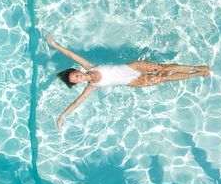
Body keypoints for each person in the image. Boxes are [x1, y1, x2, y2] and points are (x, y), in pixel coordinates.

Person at [46, 35, 210, 128]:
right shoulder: (91, 87)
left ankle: (199, 67)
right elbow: (76, 103)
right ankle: (197, 74)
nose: (79, 77)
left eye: (76, 75)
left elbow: (71, 55)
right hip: (134, 81)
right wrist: (62, 115)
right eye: (76, 80)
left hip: (133, 67)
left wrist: (55, 45)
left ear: (78, 71)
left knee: (164, 68)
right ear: (77, 83)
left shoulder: (89, 66)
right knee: (164, 78)